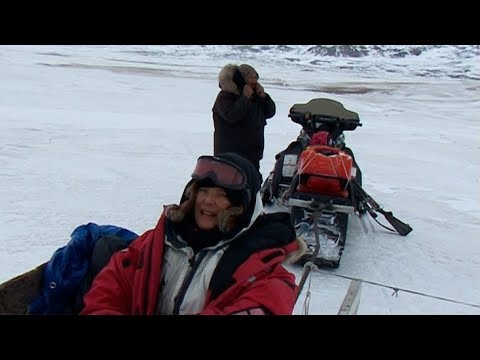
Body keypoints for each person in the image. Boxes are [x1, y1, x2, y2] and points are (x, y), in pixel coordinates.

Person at [80, 152, 305, 315]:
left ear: (241, 208)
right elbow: (110, 288)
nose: (208, 201)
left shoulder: (265, 271)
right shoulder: (157, 242)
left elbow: (268, 304)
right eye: (203, 191)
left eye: (221, 196)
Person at [212, 64, 276, 171]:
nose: (255, 86)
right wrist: (245, 98)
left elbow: (270, 112)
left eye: (256, 83)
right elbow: (232, 116)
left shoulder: (254, 96)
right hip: (230, 156)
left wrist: (264, 97)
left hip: (252, 155)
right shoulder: (225, 97)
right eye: (251, 84)